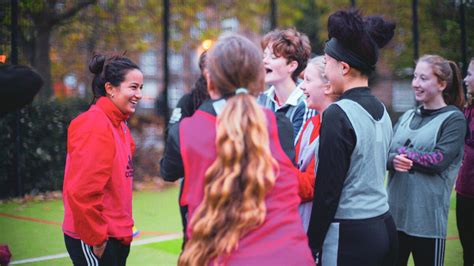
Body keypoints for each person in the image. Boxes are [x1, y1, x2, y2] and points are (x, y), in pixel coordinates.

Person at [161, 34, 313, 265]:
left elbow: (168, 172)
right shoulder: (279, 125)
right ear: (257, 78)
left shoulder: (185, 132)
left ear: (210, 80)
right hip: (289, 255)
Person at [306, 9, 398, 265]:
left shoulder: (338, 113)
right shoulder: (382, 109)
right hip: (384, 225)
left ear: (344, 67)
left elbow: (328, 191)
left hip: (349, 233)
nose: (325, 70)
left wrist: (311, 244)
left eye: (327, 63)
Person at [62, 53, 143, 266]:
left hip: (116, 234)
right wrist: (96, 237)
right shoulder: (94, 124)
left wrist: (124, 225)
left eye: (140, 88)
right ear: (110, 89)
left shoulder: (120, 124)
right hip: (95, 237)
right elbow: (82, 191)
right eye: (133, 87)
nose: (139, 94)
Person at [387, 54, 466, 266]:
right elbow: (384, 154)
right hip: (394, 219)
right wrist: (393, 159)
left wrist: (401, 153)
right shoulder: (407, 116)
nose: (416, 84)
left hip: (427, 223)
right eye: (414, 77)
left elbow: (438, 160)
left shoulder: (454, 119)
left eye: (423, 78)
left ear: (441, 84)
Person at [297, 56, 337, 232]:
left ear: (327, 86)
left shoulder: (333, 128)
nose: (302, 86)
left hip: (320, 226)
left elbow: (311, 186)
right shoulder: (311, 123)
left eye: (308, 80)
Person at [258, 28, 315, 142]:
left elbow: (293, 149)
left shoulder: (306, 104)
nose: (265, 61)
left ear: (292, 66)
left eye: (273, 57)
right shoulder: (261, 100)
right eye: (264, 55)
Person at [456, 57, 474, 266]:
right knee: (468, 254)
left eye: (470, 74)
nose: (466, 80)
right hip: (465, 193)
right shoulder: (467, 108)